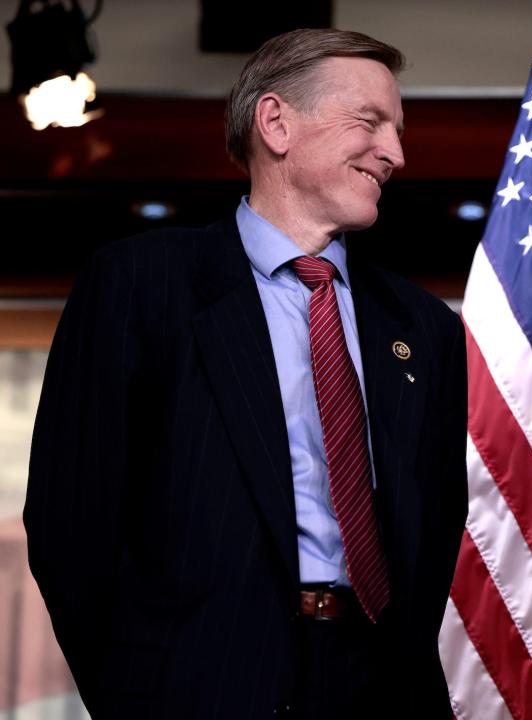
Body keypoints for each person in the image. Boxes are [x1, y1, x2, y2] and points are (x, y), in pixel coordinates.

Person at [25, 28, 467, 719]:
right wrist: (136, 698)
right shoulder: (141, 285)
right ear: (276, 123)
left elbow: (435, 531)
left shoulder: (424, 329)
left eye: (398, 131)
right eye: (370, 122)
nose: (396, 153)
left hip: (383, 689)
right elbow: (70, 522)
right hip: (199, 686)